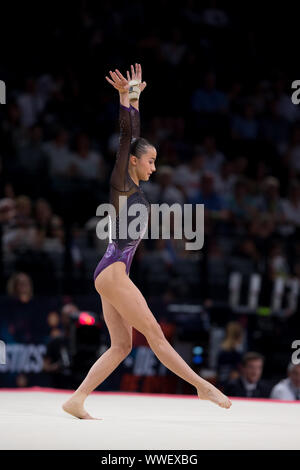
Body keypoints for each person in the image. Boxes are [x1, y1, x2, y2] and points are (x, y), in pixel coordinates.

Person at [62, 63, 232, 419]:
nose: (154, 167)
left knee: (122, 345)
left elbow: (134, 137)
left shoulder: (133, 187)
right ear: (134, 162)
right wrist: (126, 97)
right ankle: (201, 386)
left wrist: (135, 95)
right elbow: (128, 138)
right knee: (154, 334)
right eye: (151, 161)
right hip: (113, 273)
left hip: (111, 271)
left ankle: (76, 400)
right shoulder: (122, 185)